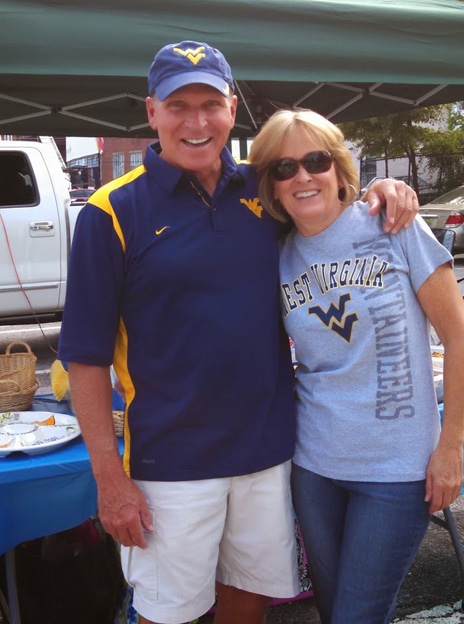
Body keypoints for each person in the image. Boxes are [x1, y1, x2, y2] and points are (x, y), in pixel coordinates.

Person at [58, 40, 419, 624]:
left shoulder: (266, 186)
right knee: (167, 615)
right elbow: (85, 358)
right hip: (169, 466)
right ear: (151, 111)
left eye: (210, 105)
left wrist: (384, 191)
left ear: (232, 107)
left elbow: (329, 204)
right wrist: (108, 478)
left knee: (247, 604)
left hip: (268, 455)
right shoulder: (109, 212)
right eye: (179, 106)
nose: (196, 123)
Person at [248, 108, 464, 624]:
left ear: (339, 168)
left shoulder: (394, 223)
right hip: (314, 465)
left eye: (316, 160)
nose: (303, 176)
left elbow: (461, 340)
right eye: (285, 168)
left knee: (358, 614)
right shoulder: (277, 255)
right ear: (273, 186)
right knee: (335, 610)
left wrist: (451, 445)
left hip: (396, 470)